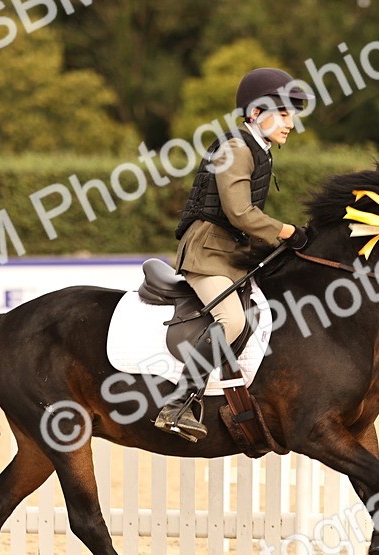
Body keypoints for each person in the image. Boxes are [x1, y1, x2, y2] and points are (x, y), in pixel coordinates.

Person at [155, 67, 312, 442]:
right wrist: (287, 232)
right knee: (231, 319)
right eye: (284, 113)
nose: (291, 123)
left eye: (292, 114)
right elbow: (240, 213)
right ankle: (178, 403)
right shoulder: (236, 149)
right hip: (207, 253)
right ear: (256, 114)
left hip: (231, 252)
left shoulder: (259, 148)